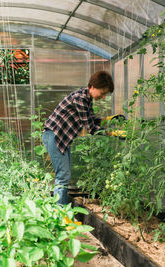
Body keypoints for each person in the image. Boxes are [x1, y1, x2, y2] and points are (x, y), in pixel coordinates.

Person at [42, 70, 114, 205]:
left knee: (64, 176)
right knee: (63, 176)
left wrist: (109, 121)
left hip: (61, 138)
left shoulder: (86, 99)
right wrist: (110, 133)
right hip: (54, 135)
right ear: (92, 87)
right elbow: (90, 127)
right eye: (103, 92)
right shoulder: (80, 98)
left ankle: (60, 212)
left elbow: (92, 120)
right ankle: (59, 214)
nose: (103, 97)